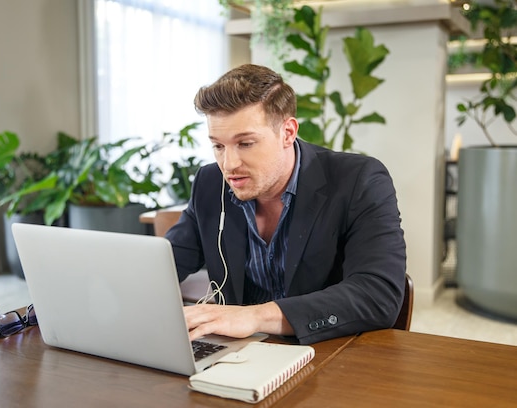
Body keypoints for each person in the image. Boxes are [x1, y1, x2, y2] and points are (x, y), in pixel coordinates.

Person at [165, 64, 406, 345]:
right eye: (218, 146)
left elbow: (378, 295)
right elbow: (164, 266)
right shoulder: (210, 183)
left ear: (288, 133)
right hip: (239, 357)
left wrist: (254, 316)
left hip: (328, 354)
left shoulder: (358, 181)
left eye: (245, 144)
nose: (229, 165)